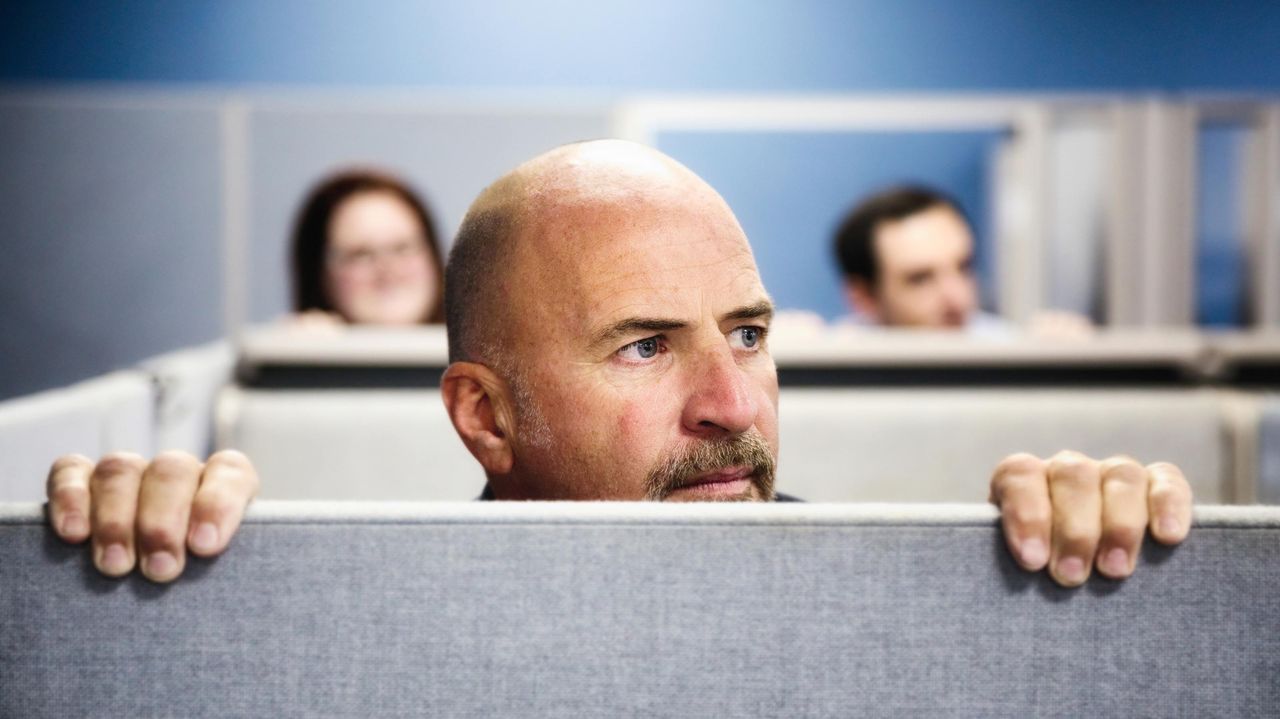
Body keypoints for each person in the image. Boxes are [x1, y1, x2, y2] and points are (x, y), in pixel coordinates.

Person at [44, 141, 1190, 589]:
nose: (732, 404)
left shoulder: (894, 603)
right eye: (644, 346)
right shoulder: (375, 626)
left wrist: (1093, 590)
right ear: (484, 418)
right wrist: (168, 581)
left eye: (746, 332)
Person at [833, 185, 1090, 334]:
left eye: (963, 267)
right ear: (863, 298)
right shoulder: (831, 370)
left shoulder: (1009, 352)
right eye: (920, 279)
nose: (955, 297)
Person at [290, 169, 446, 326]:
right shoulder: (286, 344)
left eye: (402, 248)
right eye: (360, 254)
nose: (387, 268)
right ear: (319, 274)